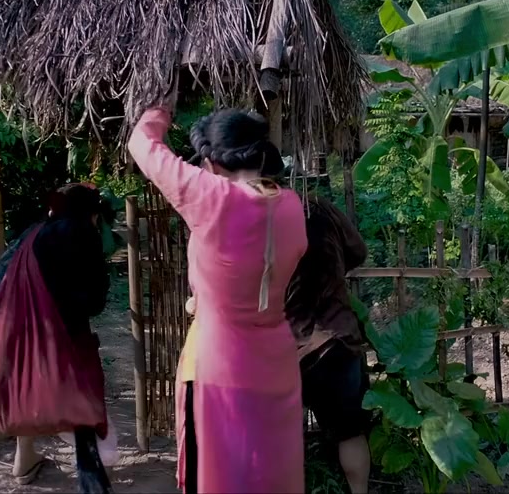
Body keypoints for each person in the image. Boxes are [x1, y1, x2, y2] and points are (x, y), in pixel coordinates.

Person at [128, 104, 308, 493]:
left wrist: (161, 106)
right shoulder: (291, 206)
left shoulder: (213, 198)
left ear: (211, 163)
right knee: (271, 477)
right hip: (276, 362)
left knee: (219, 474)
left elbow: (141, 143)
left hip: (220, 363)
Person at [0, 183, 117, 492]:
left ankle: (25, 459)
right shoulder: (82, 233)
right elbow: (92, 303)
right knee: (78, 394)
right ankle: (95, 476)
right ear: (93, 215)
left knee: (32, 387)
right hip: (13, 351)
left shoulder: (31, 234)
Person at [285, 194, 372, 494]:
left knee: (281, 438)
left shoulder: (256, 215)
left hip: (286, 349)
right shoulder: (318, 206)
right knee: (350, 433)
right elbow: (358, 251)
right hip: (337, 341)